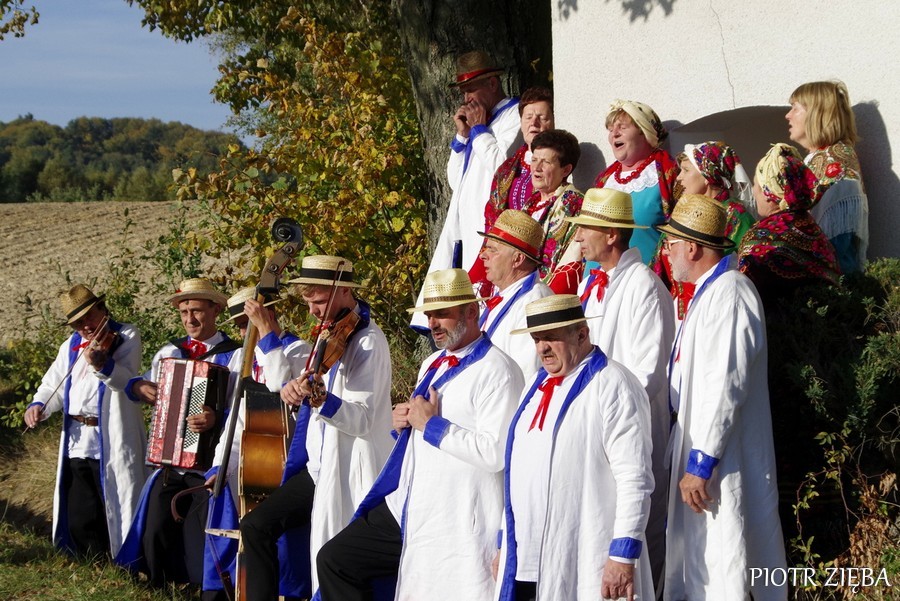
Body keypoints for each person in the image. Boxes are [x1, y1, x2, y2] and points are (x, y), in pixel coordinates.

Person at [317, 268, 524, 600]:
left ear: (472, 312)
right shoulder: (432, 363)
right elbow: (421, 424)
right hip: (410, 502)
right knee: (335, 559)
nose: (433, 323)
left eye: (442, 314)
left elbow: (495, 452)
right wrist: (403, 423)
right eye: (429, 315)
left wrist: (432, 426)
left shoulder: (499, 371)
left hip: (457, 512)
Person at [655, 195, 786, 600]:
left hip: (724, 459)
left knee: (726, 553)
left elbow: (726, 383)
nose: (666, 252)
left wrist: (702, 461)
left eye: (671, 243)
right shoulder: (707, 292)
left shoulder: (731, 292)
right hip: (703, 450)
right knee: (703, 558)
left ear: (693, 248)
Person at [242, 255, 395, 599]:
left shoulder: (368, 341)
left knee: (336, 560)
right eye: (309, 302)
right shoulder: (328, 333)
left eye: (320, 301)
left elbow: (362, 419)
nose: (313, 311)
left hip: (349, 470)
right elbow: (287, 382)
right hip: (318, 467)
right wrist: (293, 388)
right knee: (255, 525)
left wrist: (321, 401)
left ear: (344, 291)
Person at [495, 294, 655, 601]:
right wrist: (505, 543)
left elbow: (634, 478)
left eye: (551, 338)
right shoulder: (535, 386)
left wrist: (622, 554)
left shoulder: (613, 383)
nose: (542, 348)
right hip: (527, 561)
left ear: (581, 334)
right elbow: (518, 470)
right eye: (536, 339)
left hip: (586, 555)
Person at [567, 187, 674, 592]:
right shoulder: (592, 284)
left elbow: (648, 372)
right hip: (592, 426)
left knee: (635, 534)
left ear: (612, 235)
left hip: (630, 430)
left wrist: (603, 411)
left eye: (585, 228)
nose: (577, 236)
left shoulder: (644, 286)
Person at [115, 278, 241, 589]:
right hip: (170, 462)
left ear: (215, 310)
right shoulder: (170, 352)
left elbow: (241, 410)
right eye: (184, 312)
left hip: (209, 465)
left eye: (196, 311)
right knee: (155, 528)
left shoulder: (234, 355)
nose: (189, 319)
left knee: (199, 537)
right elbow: (137, 385)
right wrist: (139, 386)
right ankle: (157, 588)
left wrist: (215, 417)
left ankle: (201, 587)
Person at [202, 286, 312, 601]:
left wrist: (265, 333)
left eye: (247, 323)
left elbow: (278, 384)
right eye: (240, 326)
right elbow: (238, 419)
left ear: (268, 314)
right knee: (249, 534)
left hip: (292, 460)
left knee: (287, 544)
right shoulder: (243, 357)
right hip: (254, 461)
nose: (244, 332)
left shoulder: (299, 350)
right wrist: (220, 465)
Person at [24, 284, 146, 559]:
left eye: (89, 316)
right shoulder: (70, 345)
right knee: (82, 508)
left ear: (102, 309)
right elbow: (52, 385)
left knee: (115, 502)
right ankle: (90, 564)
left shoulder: (126, 335)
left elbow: (127, 381)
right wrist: (39, 405)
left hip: (112, 434)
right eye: (78, 323)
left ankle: (124, 563)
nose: (86, 326)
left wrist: (102, 364)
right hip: (77, 439)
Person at [424, 50, 521, 284]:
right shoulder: (482, 121)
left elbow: (501, 167)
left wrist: (479, 129)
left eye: (471, 90)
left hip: (490, 226)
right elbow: (455, 181)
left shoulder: (515, 114)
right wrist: (463, 137)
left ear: (492, 84)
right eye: (463, 92)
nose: (466, 98)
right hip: (464, 228)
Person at [470, 86, 554, 295]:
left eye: (542, 117)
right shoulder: (507, 169)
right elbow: (492, 219)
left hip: (537, 258)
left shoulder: (555, 168)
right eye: (528, 117)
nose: (534, 123)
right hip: (504, 259)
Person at [739, 143, 840, 312]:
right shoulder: (813, 229)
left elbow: (746, 297)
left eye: (756, 184)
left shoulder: (759, 239)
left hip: (778, 326)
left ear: (768, 192)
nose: (754, 191)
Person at [787, 80, 868, 273]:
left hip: (831, 282)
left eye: (795, 108)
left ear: (817, 113)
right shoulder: (820, 157)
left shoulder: (836, 161)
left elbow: (838, 244)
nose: (788, 115)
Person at [594, 99, 679, 270]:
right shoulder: (604, 179)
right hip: (597, 278)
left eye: (622, 128)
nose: (614, 134)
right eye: (611, 130)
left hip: (644, 278)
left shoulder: (667, 174)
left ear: (644, 132)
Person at [477, 209, 554, 382]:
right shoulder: (506, 295)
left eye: (493, 250)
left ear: (518, 259)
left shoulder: (535, 301)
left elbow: (527, 373)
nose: (483, 255)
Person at [523, 129, 585, 294]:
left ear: (566, 170)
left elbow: (573, 259)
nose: (537, 168)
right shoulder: (530, 203)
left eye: (546, 162)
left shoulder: (574, 204)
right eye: (534, 160)